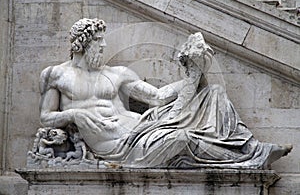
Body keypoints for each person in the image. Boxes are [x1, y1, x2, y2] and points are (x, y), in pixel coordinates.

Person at [39, 18, 291, 169]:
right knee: (181, 138)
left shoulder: (117, 73)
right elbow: (46, 117)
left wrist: (192, 75)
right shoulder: (57, 75)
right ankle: (250, 157)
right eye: (98, 40)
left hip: (142, 128)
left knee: (213, 92)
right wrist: (73, 114)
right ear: (82, 43)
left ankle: (251, 147)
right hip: (115, 145)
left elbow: (157, 97)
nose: (104, 45)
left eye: (103, 39)